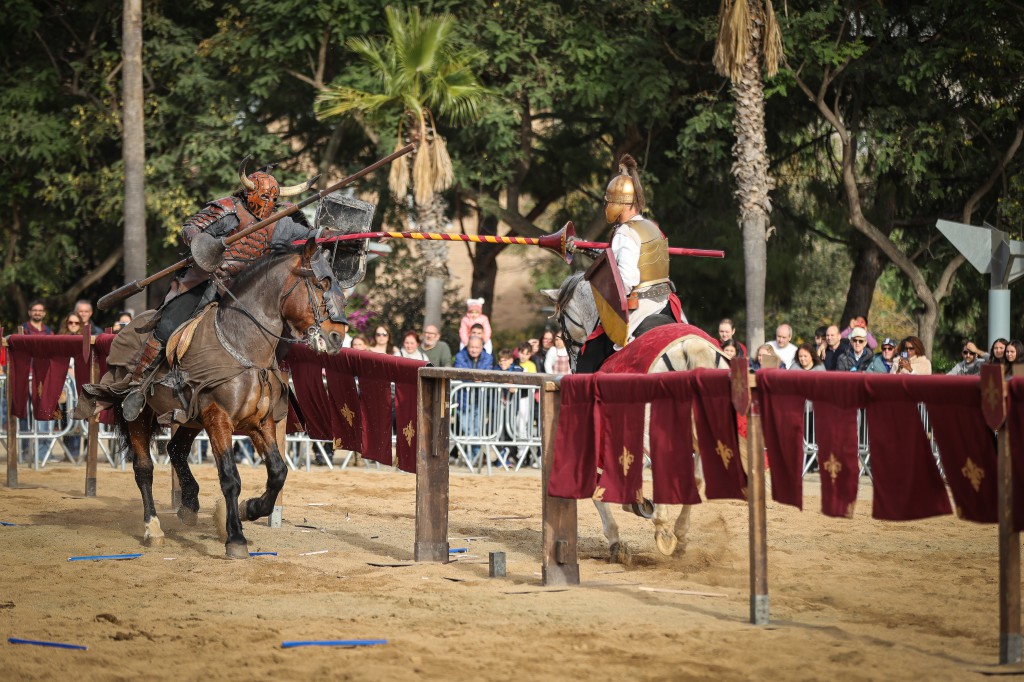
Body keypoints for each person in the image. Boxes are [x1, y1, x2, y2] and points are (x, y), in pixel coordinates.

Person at [120, 159, 321, 420]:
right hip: (209, 279)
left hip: (250, 290)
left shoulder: (280, 219)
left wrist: (331, 235)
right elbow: (190, 229)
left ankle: (272, 386)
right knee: (170, 323)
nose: (268, 202)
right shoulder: (229, 210)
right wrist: (208, 247)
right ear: (250, 193)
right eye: (263, 196)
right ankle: (140, 382)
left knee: (284, 332)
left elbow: (307, 238)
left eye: (272, 198)